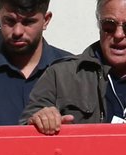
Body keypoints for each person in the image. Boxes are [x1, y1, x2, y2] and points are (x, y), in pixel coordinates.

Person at [21, 0, 126, 134]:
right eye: (109, 25)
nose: (118, 35)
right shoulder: (60, 76)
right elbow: (24, 131)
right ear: (99, 25)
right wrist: (41, 119)